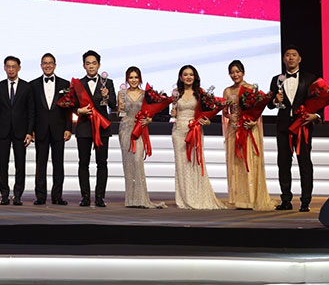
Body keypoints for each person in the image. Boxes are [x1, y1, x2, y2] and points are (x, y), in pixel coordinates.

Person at [267, 45, 319, 212]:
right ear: (284, 59)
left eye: (294, 55)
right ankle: (286, 200)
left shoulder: (310, 78)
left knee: (305, 164)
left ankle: (305, 202)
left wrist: (316, 116)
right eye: (288, 55)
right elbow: (269, 105)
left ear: (299, 59)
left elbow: (319, 101)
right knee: (283, 163)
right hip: (283, 126)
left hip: (302, 126)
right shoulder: (277, 79)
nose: (290, 58)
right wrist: (275, 100)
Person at [222, 60, 274, 210]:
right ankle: (239, 199)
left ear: (243, 72)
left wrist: (253, 121)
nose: (235, 75)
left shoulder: (251, 89)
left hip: (249, 128)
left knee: (250, 161)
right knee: (236, 163)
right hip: (234, 128)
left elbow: (257, 110)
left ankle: (252, 198)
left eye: (237, 71)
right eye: (232, 72)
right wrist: (229, 116)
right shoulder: (227, 91)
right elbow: (224, 111)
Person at [171, 64, 225, 209]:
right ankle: (184, 197)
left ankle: (197, 196)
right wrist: (173, 113)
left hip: (194, 130)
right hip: (178, 131)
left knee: (195, 162)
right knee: (181, 164)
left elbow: (206, 113)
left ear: (195, 77)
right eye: (185, 74)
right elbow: (174, 112)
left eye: (191, 74)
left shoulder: (200, 94)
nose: (188, 77)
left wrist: (207, 121)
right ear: (181, 77)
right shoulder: (177, 94)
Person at [74, 50, 117, 207]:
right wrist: (79, 111)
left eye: (94, 63)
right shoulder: (78, 84)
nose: (91, 66)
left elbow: (113, 105)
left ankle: (100, 197)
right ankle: (85, 196)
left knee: (102, 163)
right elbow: (72, 105)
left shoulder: (108, 83)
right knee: (83, 163)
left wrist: (106, 96)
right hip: (84, 127)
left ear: (99, 65)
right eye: (88, 63)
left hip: (102, 127)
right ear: (83, 65)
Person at [117, 66, 164, 208]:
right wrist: (120, 109)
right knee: (128, 163)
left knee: (138, 160)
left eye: (136, 77)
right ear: (127, 79)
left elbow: (150, 114)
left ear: (140, 79)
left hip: (139, 129)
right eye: (131, 77)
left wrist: (148, 120)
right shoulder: (121, 93)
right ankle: (131, 200)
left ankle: (141, 198)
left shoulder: (145, 95)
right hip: (126, 128)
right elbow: (120, 113)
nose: (133, 80)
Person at [0, 56, 34, 206]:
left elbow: (31, 111)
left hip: (21, 132)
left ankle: (18, 195)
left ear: (19, 68)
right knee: (2, 165)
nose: (11, 69)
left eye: (13, 66)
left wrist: (29, 131)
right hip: (2, 132)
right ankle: (4, 194)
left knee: (20, 165)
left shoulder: (27, 87)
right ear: (4, 68)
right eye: (8, 66)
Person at [30, 52, 71, 205]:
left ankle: (57, 196)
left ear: (55, 65)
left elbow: (68, 109)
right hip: (40, 130)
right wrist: (30, 130)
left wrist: (68, 128)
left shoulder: (65, 84)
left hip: (59, 129)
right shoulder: (33, 85)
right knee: (40, 164)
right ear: (41, 65)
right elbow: (31, 110)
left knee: (58, 164)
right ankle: (40, 196)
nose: (47, 65)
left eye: (50, 63)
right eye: (45, 63)